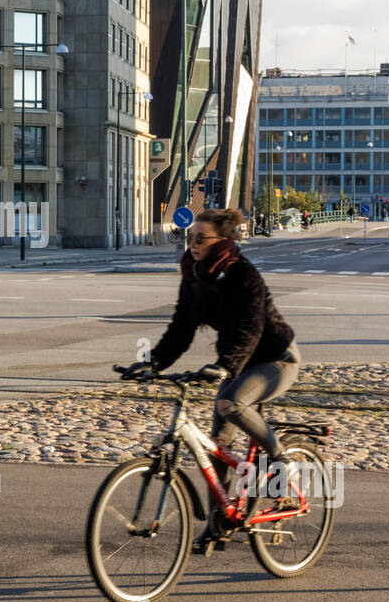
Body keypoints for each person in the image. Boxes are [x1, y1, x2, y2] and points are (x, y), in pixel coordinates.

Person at [125, 209, 300, 549]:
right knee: (218, 446)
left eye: (200, 238)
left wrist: (226, 365)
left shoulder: (243, 274)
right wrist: (153, 362)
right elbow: (181, 327)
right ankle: (220, 522)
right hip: (236, 362)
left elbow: (252, 328)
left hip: (275, 359)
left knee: (231, 402)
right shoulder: (194, 275)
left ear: (223, 240)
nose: (192, 244)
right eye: (189, 238)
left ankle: (281, 459)